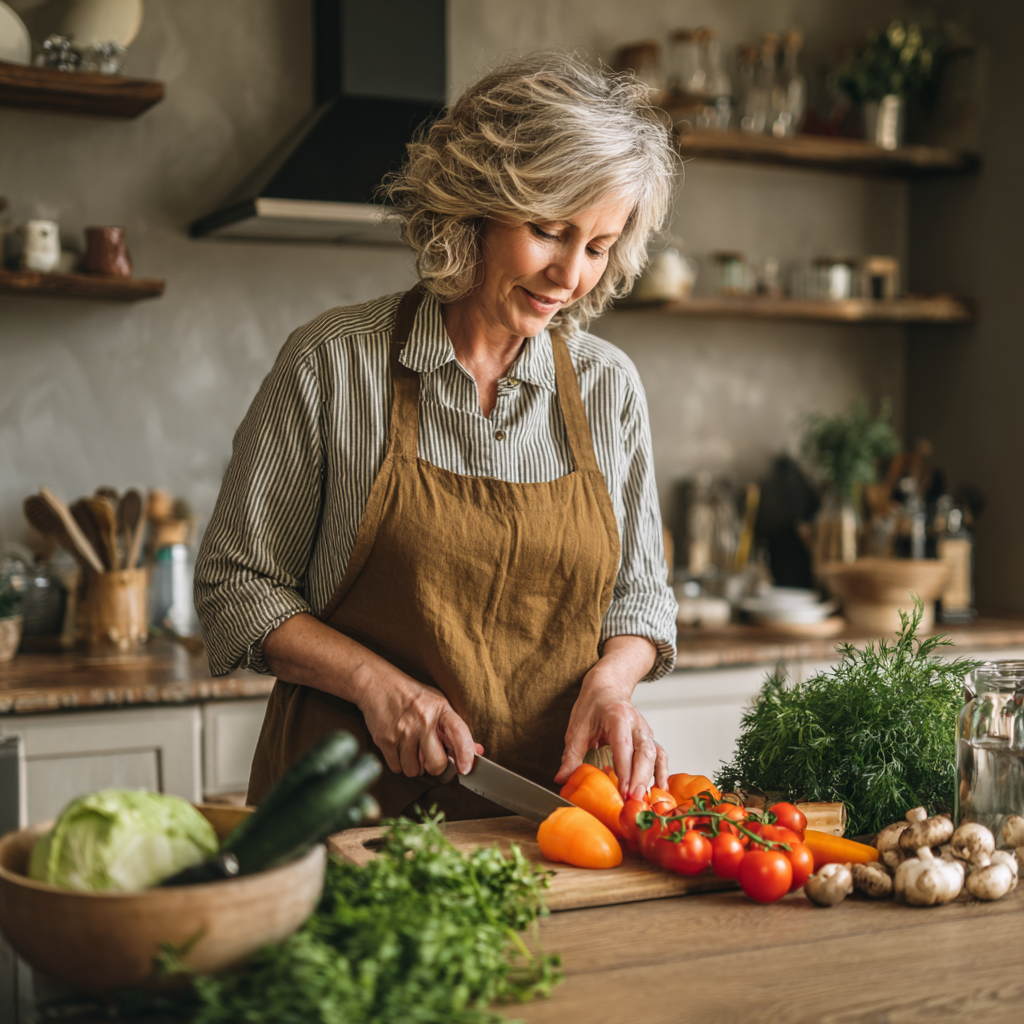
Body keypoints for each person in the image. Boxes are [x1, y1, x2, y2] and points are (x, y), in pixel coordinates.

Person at [194, 52, 679, 820]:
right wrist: (376, 686)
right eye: (550, 232)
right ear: (473, 206)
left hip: (548, 826)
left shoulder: (608, 387)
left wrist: (613, 684)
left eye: (598, 246)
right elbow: (236, 584)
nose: (570, 277)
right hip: (342, 815)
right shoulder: (333, 361)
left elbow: (640, 601)